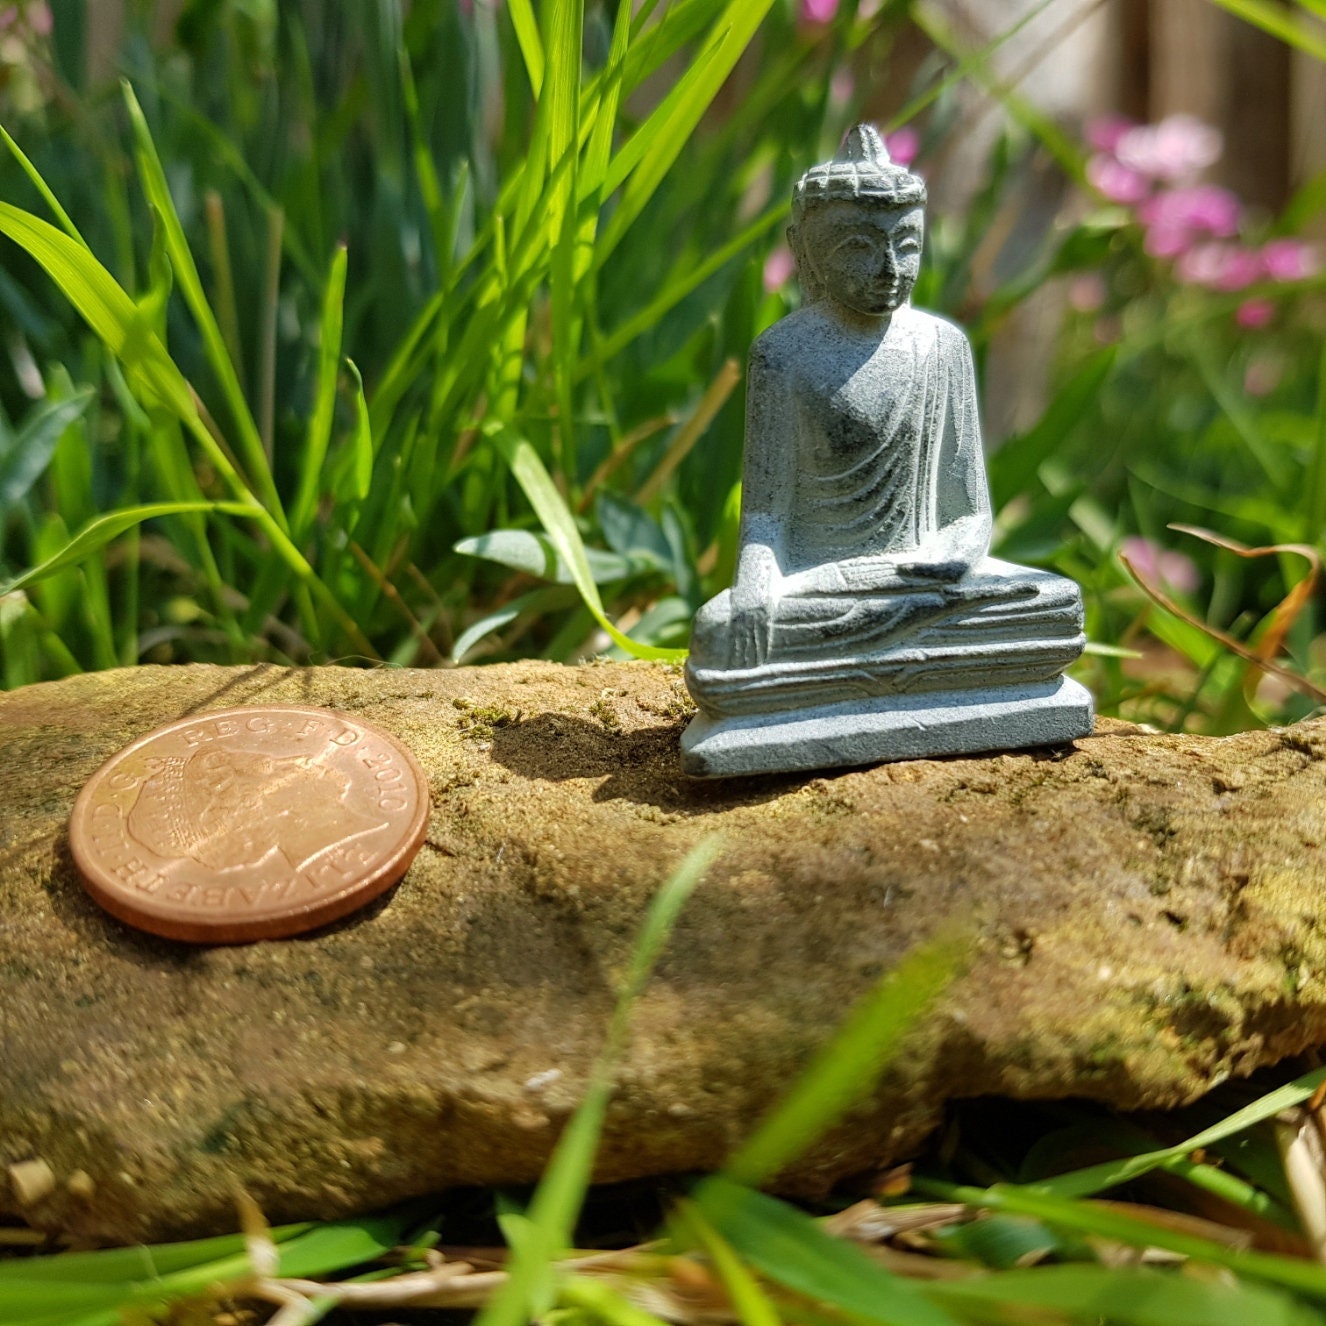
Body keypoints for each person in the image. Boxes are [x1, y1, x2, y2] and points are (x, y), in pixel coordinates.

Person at [686, 125, 1087, 723]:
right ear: (805, 248)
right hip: (824, 583)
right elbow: (766, 518)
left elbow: (969, 511)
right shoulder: (784, 354)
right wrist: (755, 594)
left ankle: (859, 677)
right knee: (722, 630)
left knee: (1052, 603)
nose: (888, 268)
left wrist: (953, 558)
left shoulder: (942, 346)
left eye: (906, 244)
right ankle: (878, 672)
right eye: (857, 246)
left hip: (929, 581)